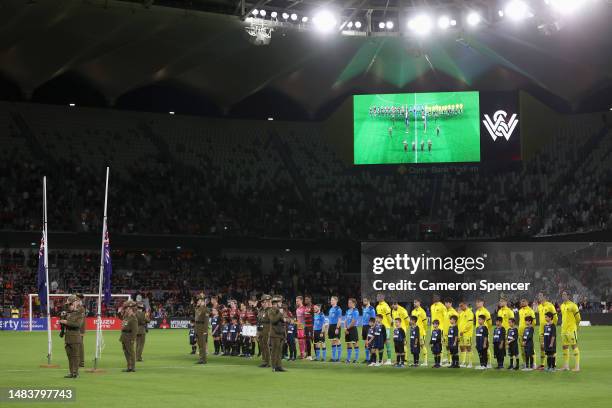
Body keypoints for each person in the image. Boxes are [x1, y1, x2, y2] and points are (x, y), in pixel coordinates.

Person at [59, 295, 84, 378]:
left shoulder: (79, 313)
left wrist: (66, 322)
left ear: (75, 303)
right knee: (69, 357)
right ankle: (71, 372)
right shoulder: (68, 313)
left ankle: (75, 373)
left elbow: (78, 325)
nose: (68, 306)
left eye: (70, 304)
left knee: (75, 356)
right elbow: (65, 325)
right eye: (68, 304)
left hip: (75, 338)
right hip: (68, 338)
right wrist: (62, 325)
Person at [560, 290, 581, 371]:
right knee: (564, 346)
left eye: (564, 294)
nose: (563, 296)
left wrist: (577, 326)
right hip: (564, 330)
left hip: (571, 330)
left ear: (568, 296)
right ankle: (566, 366)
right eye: (562, 295)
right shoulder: (562, 306)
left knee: (574, 346)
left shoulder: (573, 305)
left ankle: (577, 367)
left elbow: (578, 318)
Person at [536, 292, 558, 370]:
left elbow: (555, 317)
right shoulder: (539, 307)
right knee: (542, 347)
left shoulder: (550, 305)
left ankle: (553, 364)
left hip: (549, 330)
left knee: (551, 348)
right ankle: (542, 364)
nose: (539, 297)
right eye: (538, 296)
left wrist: (552, 326)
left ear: (545, 296)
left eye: (540, 295)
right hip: (541, 330)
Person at [268, 295, 287, 372]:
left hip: (281, 333)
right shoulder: (270, 311)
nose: (280, 304)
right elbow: (273, 320)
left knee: (279, 351)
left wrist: (284, 317)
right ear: (274, 304)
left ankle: (279, 366)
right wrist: (280, 314)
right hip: (275, 334)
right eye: (278, 303)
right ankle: (273, 367)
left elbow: (283, 320)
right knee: (274, 351)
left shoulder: (280, 311)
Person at [119, 300, 138, 372]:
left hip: (129, 336)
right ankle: (129, 366)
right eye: (126, 308)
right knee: (125, 352)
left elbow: (135, 330)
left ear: (131, 309)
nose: (126, 309)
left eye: (127, 309)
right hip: (124, 336)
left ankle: (133, 367)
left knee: (131, 352)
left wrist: (133, 339)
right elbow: (121, 317)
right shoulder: (126, 316)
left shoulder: (133, 318)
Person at [518, 298, 536, 368]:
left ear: (527, 302)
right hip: (520, 332)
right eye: (521, 301)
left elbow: (534, 322)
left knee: (531, 349)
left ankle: (533, 363)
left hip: (527, 333)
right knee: (523, 349)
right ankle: (524, 362)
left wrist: (531, 331)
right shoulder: (520, 311)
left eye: (524, 301)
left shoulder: (530, 310)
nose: (522, 302)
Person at [375, 294, 393, 365]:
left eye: (378, 296)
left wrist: (391, 323)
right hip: (378, 327)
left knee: (387, 343)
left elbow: (389, 316)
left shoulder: (386, 306)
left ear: (382, 298)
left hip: (385, 327)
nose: (377, 297)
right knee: (379, 343)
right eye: (377, 296)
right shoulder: (377, 306)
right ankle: (381, 360)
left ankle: (389, 360)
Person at [475, 298, 492, 367]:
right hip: (478, 331)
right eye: (477, 302)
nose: (477, 303)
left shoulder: (486, 312)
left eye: (479, 302)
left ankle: (489, 363)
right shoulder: (476, 312)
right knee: (479, 348)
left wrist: (487, 330)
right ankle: (482, 363)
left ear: (482, 303)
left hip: (484, 332)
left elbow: (490, 322)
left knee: (485, 348)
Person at [411, 298, 428, 366]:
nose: (414, 303)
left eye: (416, 302)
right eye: (414, 302)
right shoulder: (413, 311)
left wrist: (424, 331)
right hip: (414, 332)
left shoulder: (422, 311)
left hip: (420, 332)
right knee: (414, 346)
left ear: (419, 303)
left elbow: (425, 323)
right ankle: (415, 361)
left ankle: (425, 361)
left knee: (422, 345)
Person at [257, 294, 272, 367]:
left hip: (267, 328)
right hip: (260, 328)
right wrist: (257, 331)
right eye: (262, 302)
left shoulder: (270, 310)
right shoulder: (260, 310)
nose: (263, 303)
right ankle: (264, 361)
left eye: (265, 302)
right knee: (261, 345)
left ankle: (268, 362)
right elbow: (258, 320)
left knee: (266, 345)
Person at [458, 301, 474, 368]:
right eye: (460, 306)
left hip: (467, 334)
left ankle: (470, 363)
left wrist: (464, 331)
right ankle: (463, 362)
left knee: (468, 348)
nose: (460, 307)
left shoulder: (469, 312)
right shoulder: (461, 313)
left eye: (461, 306)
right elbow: (459, 323)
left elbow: (469, 324)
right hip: (461, 334)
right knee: (462, 348)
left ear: (465, 305)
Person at [343, 298, 360, 364]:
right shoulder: (347, 311)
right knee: (348, 344)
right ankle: (348, 359)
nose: (348, 303)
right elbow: (345, 320)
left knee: (355, 343)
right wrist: (345, 328)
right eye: (348, 302)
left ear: (354, 303)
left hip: (352, 329)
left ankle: (356, 359)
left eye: (350, 302)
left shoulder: (355, 311)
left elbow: (353, 321)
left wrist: (347, 328)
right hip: (347, 329)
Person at [194, 294, 209, 364]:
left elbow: (206, 321)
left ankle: (204, 360)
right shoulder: (198, 308)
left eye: (199, 300)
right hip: (197, 327)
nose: (198, 301)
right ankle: (200, 358)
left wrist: (205, 331)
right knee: (199, 344)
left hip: (202, 328)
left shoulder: (205, 309)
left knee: (203, 345)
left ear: (202, 301)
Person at [443, 299, 458, 366]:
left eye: (447, 303)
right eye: (445, 303)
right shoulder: (446, 311)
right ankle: (449, 362)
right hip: (446, 332)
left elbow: (457, 321)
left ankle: (453, 362)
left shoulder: (453, 312)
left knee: (452, 349)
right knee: (447, 348)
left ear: (450, 303)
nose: (445, 304)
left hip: (451, 334)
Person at [327, 296, 343, 362]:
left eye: (332, 300)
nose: (331, 301)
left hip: (336, 326)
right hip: (331, 326)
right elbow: (330, 319)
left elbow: (339, 319)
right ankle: (333, 358)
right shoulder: (331, 309)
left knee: (337, 340)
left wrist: (337, 328)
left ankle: (338, 358)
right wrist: (328, 327)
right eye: (331, 300)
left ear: (336, 301)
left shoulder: (338, 309)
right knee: (332, 341)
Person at [361, 298, 376, 363]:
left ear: (369, 301)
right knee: (366, 343)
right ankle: (367, 359)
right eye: (364, 301)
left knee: (370, 343)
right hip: (364, 326)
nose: (364, 302)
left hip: (369, 327)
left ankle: (372, 358)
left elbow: (373, 319)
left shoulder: (371, 309)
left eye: (365, 301)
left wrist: (372, 328)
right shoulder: (364, 308)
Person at [76, 294, 86, 368]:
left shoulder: (81, 308)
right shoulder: (78, 308)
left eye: (77, 299)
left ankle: (81, 362)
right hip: (77, 329)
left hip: (79, 329)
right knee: (77, 345)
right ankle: (79, 360)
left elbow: (81, 321)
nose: (76, 300)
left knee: (80, 345)